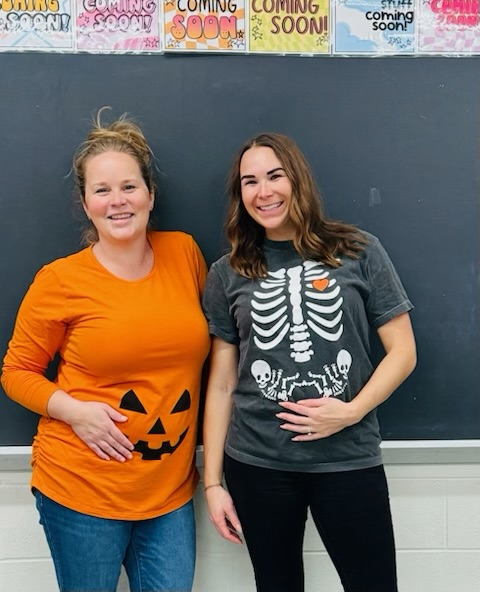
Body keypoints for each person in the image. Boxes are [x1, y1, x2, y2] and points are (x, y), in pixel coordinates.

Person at [1, 110, 210, 592]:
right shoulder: (59, 281)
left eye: (129, 187)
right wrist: (74, 411)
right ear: (86, 203)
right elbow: (16, 371)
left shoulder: (185, 254)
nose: (118, 201)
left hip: (170, 495)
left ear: (151, 195)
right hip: (80, 488)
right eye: (102, 190)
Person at [202, 132, 416, 592]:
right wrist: (213, 482)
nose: (265, 192)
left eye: (275, 176)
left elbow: (402, 352)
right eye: (250, 181)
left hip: (348, 457)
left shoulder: (358, 250)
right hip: (258, 461)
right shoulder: (226, 273)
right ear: (240, 195)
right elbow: (221, 385)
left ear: (297, 178)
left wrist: (352, 410)